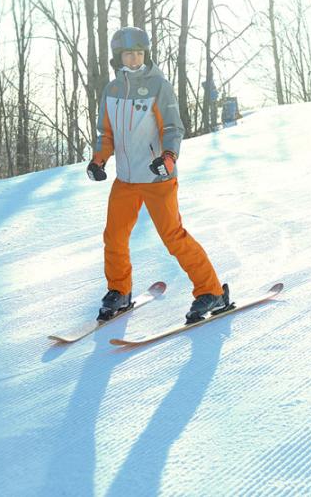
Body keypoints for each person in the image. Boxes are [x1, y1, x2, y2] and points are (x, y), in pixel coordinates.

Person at [87, 27, 231, 324]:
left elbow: (172, 129)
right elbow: (106, 133)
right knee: (114, 237)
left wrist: (168, 157)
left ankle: (211, 291)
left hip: (157, 178)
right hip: (126, 179)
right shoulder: (111, 91)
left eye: (140, 53)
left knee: (173, 237)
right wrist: (98, 160)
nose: (135, 58)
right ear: (118, 57)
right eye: (129, 53)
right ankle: (119, 291)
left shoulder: (158, 86)